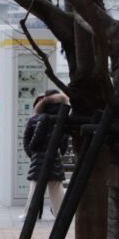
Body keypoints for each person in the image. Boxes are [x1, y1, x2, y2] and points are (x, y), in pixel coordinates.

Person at [22, 89, 69, 218]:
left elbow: (33, 139)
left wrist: (32, 151)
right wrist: (61, 150)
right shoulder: (63, 117)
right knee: (56, 188)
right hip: (54, 157)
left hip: (40, 157)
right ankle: (60, 215)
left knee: (35, 188)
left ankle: (30, 214)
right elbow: (64, 139)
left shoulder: (41, 117)